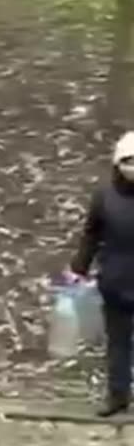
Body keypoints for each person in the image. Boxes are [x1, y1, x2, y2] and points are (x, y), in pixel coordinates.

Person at [67, 131, 134, 416]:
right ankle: (118, 396)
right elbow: (91, 234)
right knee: (118, 343)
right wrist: (78, 268)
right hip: (116, 281)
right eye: (128, 161)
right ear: (117, 163)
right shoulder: (104, 196)